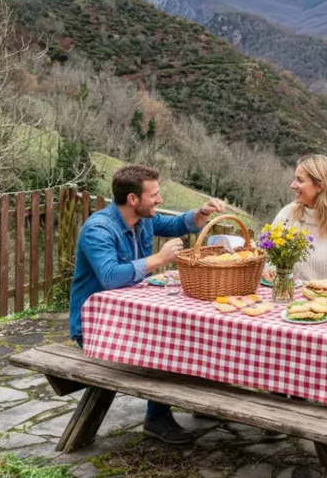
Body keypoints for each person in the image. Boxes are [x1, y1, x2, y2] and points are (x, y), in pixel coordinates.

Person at [68, 164, 226, 445]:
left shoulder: (143, 220)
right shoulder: (98, 229)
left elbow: (178, 224)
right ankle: (157, 419)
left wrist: (202, 213)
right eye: (154, 195)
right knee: (171, 341)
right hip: (95, 327)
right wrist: (159, 259)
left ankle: (198, 403)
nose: (160, 200)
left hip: (132, 316)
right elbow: (110, 276)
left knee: (191, 332)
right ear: (133, 199)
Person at [270, 154, 327, 289]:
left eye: (299, 180)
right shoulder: (287, 214)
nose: (292, 185)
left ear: (320, 186)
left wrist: (317, 293)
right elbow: (268, 260)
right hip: (286, 298)